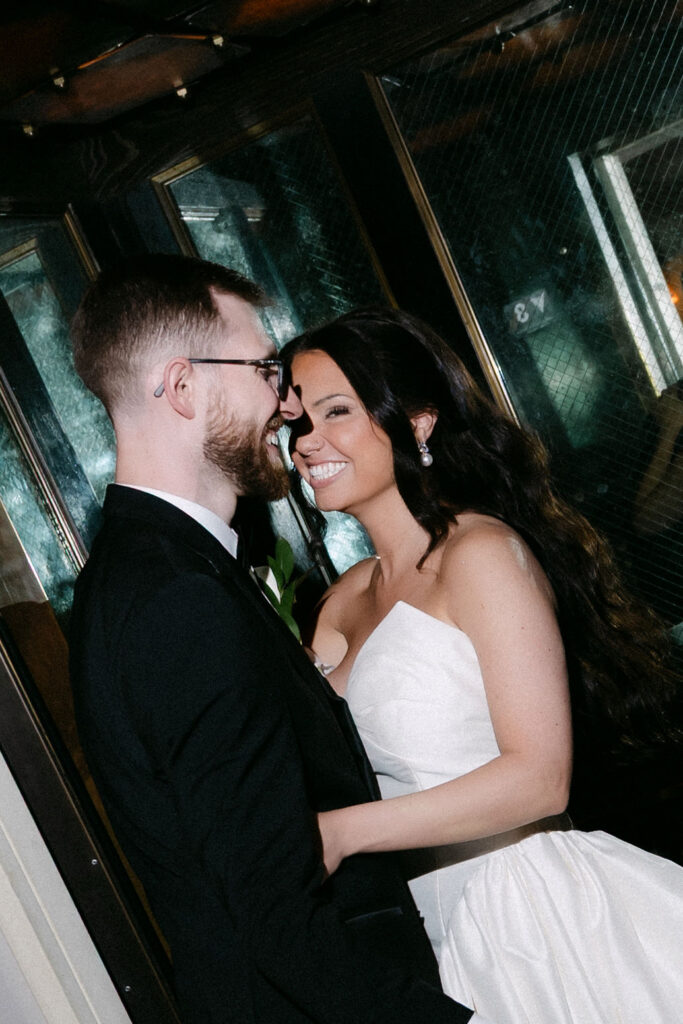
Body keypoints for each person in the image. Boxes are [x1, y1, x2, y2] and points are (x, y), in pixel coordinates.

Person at [68, 257, 486, 1024]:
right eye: (265, 368)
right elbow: (276, 916)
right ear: (185, 387)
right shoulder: (174, 596)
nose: (286, 402)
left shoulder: (149, 572)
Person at [282, 306, 683, 1024]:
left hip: (531, 924)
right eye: (298, 422)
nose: (309, 441)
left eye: (335, 410)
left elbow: (538, 777)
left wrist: (342, 832)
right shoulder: (342, 599)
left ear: (419, 420)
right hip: (420, 939)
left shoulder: (479, 554)